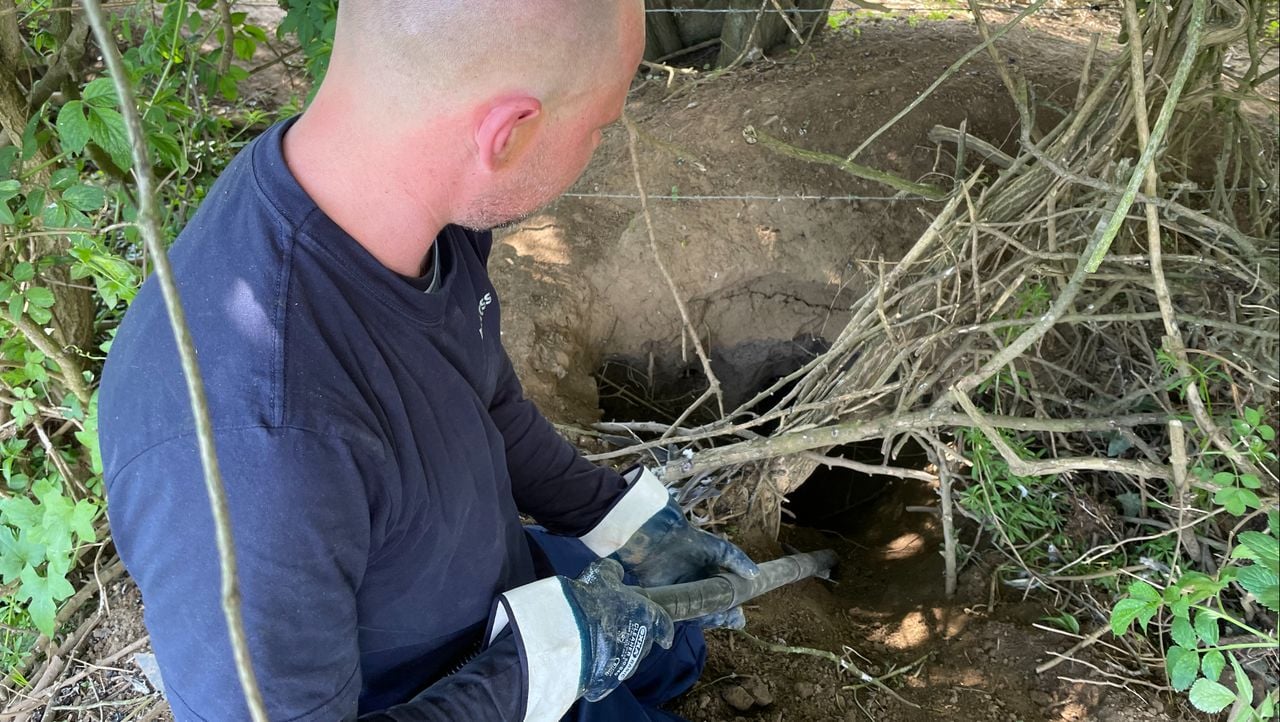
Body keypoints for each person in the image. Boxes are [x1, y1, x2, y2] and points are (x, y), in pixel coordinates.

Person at [98, 2, 760, 721]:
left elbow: (482, 394)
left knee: (680, 642)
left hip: (490, 583)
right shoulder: (261, 453)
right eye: (600, 126)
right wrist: (537, 667)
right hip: (442, 689)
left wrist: (622, 522)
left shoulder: (407, 206)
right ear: (507, 133)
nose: (599, 142)